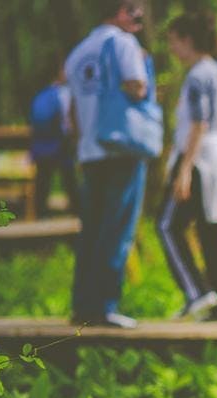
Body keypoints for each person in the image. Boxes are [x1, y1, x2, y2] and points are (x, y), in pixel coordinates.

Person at [65, 0, 151, 328]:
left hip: (90, 150)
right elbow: (137, 86)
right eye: (135, 11)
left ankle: (82, 305)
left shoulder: (78, 52)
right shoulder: (123, 43)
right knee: (117, 228)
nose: (139, 19)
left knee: (92, 229)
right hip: (120, 148)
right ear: (119, 11)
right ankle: (104, 307)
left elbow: (72, 110)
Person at [157, 11, 217, 321]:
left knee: (167, 226)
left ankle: (198, 292)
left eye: (173, 42)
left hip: (198, 157)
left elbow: (199, 123)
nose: (171, 49)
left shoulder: (197, 75)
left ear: (187, 40)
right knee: (211, 229)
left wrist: (184, 168)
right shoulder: (216, 70)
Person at [29, 57, 79, 217]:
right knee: (70, 178)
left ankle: (40, 213)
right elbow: (68, 120)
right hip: (59, 144)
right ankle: (77, 211)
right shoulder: (64, 93)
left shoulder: (42, 94)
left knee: (43, 180)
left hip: (42, 145)